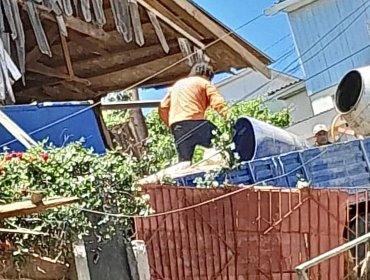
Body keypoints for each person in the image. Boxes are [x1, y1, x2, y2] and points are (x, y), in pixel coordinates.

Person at [158, 62, 227, 162]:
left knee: (184, 162)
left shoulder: (176, 86)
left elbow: (163, 107)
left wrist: (171, 125)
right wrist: (228, 117)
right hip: (196, 123)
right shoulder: (203, 82)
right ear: (205, 74)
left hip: (177, 127)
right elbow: (217, 102)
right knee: (221, 142)